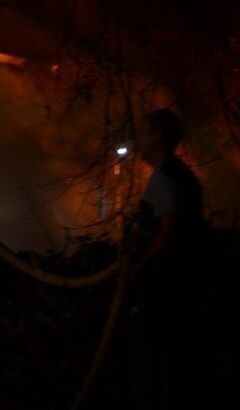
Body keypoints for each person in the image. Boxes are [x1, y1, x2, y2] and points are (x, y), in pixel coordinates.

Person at [128, 108, 206, 409]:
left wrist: (142, 263)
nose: (139, 140)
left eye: (143, 132)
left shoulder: (164, 177)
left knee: (150, 362)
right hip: (182, 284)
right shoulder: (182, 175)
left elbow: (169, 227)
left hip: (162, 287)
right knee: (172, 363)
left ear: (157, 135)